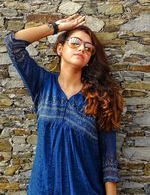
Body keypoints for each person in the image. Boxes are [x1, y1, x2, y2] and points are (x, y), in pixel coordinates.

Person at [4, 14, 124, 195]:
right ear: (60, 48)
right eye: (75, 42)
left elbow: (109, 160)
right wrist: (56, 27)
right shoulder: (43, 84)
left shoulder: (101, 97)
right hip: (42, 189)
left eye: (88, 47)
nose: (82, 48)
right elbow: (14, 44)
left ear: (90, 58)